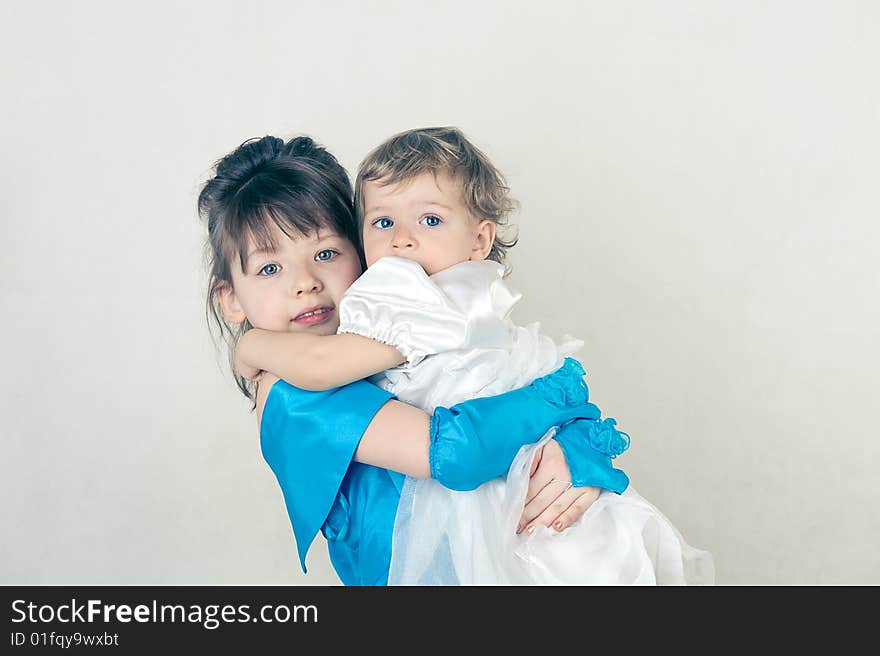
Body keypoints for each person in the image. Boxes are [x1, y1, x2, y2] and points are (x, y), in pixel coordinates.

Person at [236, 127, 715, 584]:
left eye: (325, 254)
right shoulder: (294, 395)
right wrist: (562, 402)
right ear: (229, 298)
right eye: (269, 268)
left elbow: (500, 395)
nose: (305, 283)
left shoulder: (411, 320)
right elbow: (459, 450)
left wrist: (575, 448)